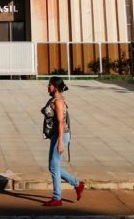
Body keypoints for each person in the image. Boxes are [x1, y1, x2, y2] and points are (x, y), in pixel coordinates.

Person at [41, 76, 85, 207]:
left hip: (61, 135)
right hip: (56, 135)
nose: (48, 87)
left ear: (55, 87)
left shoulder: (58, 101)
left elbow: (61, 122)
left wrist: (60, 142)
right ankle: (77, 184)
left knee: (54, 167)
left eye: (50, 84)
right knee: (53, 166)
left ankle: (57, 198)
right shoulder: (53, 99)